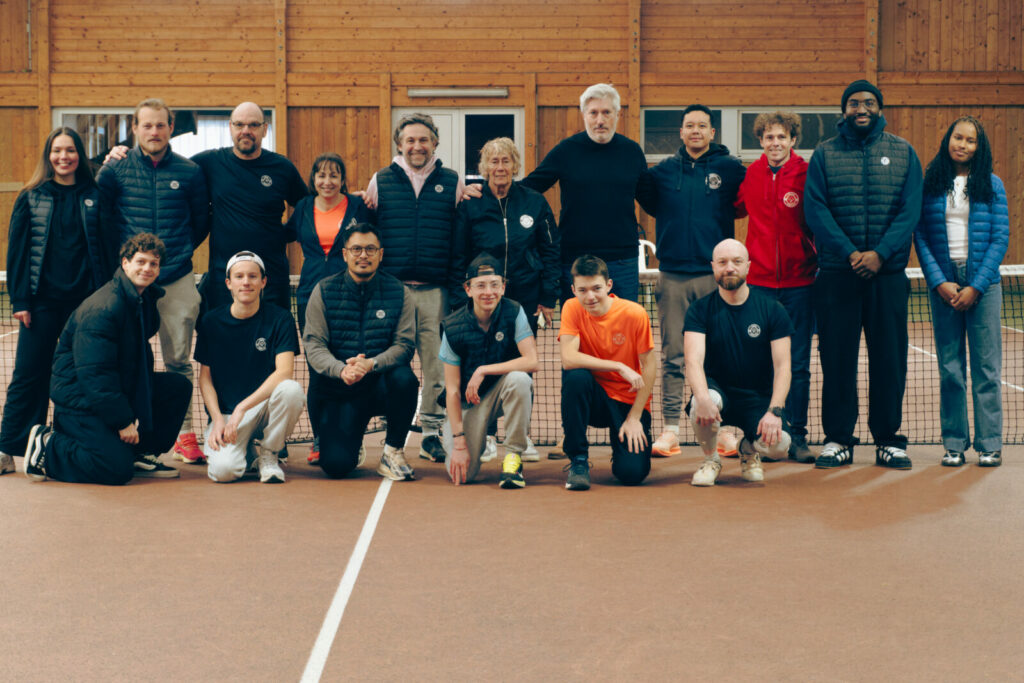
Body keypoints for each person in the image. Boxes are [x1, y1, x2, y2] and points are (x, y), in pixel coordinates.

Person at [804, 79, 923, 470]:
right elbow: (816, 210)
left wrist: (881, 254)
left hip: (887, 277)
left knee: (889, 360)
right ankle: (838, 439)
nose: (861, 109)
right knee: (837, 360)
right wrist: (852, 253)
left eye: (869, 102)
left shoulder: (903, 152)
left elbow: (910, 210)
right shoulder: (824, 154)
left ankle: (888, 440)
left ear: (879, 108)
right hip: (838, 275)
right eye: (854, 103)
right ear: (844, 110)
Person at [106, 103, 308, 312]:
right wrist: (125, 155)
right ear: (230, 127)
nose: (246, 131)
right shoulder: (210, 162)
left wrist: (286, 234)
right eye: (239, 125)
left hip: (271, 274)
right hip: (223, 276)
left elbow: (307, 205)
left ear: (264, 129)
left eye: (253, 125)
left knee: (274, 330)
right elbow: (165, 167)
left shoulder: (282, 168)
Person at [23, 233, 192, 484]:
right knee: (115, 469)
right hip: (80, 398)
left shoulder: (143, 300)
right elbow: (95, 374)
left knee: (177, 387)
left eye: (153, 263)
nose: (147, 268)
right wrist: (123, 421)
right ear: (125, 263)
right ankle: (49, 445)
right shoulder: (104, 308)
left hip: (115, 389)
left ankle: (139, 452)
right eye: (140, 261)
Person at [96, 98, 211, 466]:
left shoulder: (190, 172)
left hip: (176, 277)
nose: (154, 131)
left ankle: (185, 435)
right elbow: (102, 218)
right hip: (129, 284)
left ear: (171, 127)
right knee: (127, 359)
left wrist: (174, 256)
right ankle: (126, 431)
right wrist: (130, 265)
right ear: (135, 128)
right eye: (147, 125)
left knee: (178, 360)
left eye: (161, 125)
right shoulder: (114, 170)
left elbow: (200, 223)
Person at [0, 128, 115, 476]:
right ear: (48, 156)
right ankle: (8, 448)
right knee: (28, 376)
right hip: (41, 305)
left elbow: (108, 249)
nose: (64, 157)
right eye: (57, 150)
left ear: (80, 155)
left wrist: (107, 299)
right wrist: (21, 300)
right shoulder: (31, 197)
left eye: (70, 150)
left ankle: (66, 447)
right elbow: (18, 254)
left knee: (80, 377)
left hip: (85, 307)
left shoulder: (96, 195)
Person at [645, 104, 746, 458]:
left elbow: (746, 203)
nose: (696, 131)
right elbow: (647, 200)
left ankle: (723, 430)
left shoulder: (730, 169)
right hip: (672, 276)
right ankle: (670, 430)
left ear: (712, 132)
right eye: (690, 125)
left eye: (702, 126)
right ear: (681, 131)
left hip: (713, 278)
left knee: (720, 355)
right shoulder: (662, 172)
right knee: (673, 355)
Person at [449, 136, 558, 463]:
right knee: (480, 363)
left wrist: (548, 296)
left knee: (522, 367)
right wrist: (459, 301)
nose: (500, 167)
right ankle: (487, 435)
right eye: (494, 161)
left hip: (525, 297)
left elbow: (551, 250)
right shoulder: (471, 204)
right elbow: (458, 255)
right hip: (483, 299)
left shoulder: (534, 201)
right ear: (484, 167)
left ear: (515, 165)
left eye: (506, 161)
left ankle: (519, 436)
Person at [364, 113, 464, 465]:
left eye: (423, 140)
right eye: (410, 140)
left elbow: (461, 230)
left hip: (436, 291)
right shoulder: (380, 180)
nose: (417, 146)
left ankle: (431, 433)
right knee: (390, 363)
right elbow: (366, 226)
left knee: (437, 365)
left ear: (435, 142)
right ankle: (390, 431)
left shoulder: (452, 181)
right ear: (399, 144)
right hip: (392, 292)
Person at [914, 116, 1008, 467]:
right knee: (950, 369)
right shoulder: (931, 183)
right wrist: (939, 281)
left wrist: (976, 286)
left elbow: (1000, 237)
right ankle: (954, 444)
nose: (963, 145)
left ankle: (990, 444)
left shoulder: (992, 184)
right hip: (944, 283)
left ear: (978, 148)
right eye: (958, 138)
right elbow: (920, 235)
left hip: (983, 284)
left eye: (971, 141)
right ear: (948, 140)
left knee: (987, 369)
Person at [302, 222, 419, 480]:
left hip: (380, 386)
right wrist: (341, 370)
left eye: (370, 249)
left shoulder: (400, 292)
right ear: (345, 254)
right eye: (356, 249)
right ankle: (350, 438)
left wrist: (371, 364)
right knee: (336, 466)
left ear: (381, 254)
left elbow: (404, 345)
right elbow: (314, 344)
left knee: (405, 379)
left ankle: (392, 452)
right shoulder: (323, 290)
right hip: (342, 389)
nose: (363, 255)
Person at [734, 111, 817, 463]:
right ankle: (760, 434)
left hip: (800, 284)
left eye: (782, 136)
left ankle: (797, 435)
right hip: (759, 285)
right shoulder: (751, 174)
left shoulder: (806, 173)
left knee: (797, 364)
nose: (775, 143)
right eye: (769, 137)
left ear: (793, 139)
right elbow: (736, 208)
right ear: (761, 141)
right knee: (758, 363)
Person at [684, 239, 793, 487]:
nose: (729, 268)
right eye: (722, 262)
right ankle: (711, 459)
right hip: (717, 392)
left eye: (736, 261)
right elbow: (693, 360)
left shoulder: (772, 309)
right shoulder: (699, 310)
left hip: (757, 397)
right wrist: (702, 397)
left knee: (780, 446)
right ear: (713, 267)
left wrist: (774, 411)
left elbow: (783, 367)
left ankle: (747, 449)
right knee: (701, 403)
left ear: (748, 266)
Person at [287, 152, 369, 465]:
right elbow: (283, 233)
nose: (327, 181)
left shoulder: (358, 206)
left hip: (350, 294)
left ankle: (351, 436)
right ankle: (319, 438)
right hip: (309, 295)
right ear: (313, 179)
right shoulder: (303, 207)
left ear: (343, 180)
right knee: (318, 369)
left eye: (334, 175)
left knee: (349, 363)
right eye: (321, 175)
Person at [195, 251, 304, 483]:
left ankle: (269, 455)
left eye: (253, 276)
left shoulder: (281, 318)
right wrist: (217, 419)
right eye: (239, 276)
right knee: (224, 472)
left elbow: (284, 372)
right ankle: (245, 451)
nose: (246, 282)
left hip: (263, 408)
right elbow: (205, 378)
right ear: (229, 283)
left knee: (292, 390)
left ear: (263, 282)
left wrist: (242, 408)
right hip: (226, 415)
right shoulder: (211, 322)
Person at [559, 255, 656, 491]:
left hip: (627, 401)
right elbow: (568, 359)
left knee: (632, 474)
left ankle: (621, 449)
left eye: (596, 288)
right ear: (573, 290)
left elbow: (650, 367)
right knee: (576, 378)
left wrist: (634, 417)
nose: (590, 297)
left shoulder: (634, 313)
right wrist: (618, 366)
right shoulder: (571, 307)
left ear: (609, 285)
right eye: (582, 290)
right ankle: (578, 460)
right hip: (595, 399)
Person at [441, 254, 538, 488]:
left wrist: (483, 370)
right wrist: (459, 443)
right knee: (464, 475)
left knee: (520, 380)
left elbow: (531, 361)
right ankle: (459, 436)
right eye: (481, 285)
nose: (488, 292)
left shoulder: (514, 311)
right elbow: (452, 390)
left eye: (495, 285)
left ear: (503, 288)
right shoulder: (452, 327)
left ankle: (513, 456)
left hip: (499, 392)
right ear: (468, 289)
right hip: (468, 404)